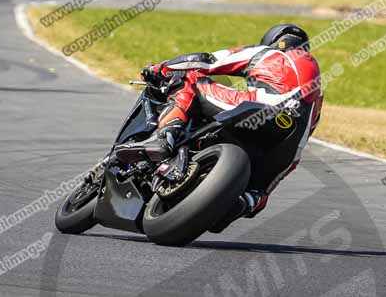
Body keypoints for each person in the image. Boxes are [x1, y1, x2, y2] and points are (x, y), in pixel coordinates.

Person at [125, 24, 323, 231]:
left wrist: (159, 69)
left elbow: (206, 61)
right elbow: (305, 133)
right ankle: (245, 202)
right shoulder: (318, 91)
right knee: (258, 192)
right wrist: (263, 190)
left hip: (260, 110)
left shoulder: (267, 53)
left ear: (273, 41)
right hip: (289, 140)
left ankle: (164, 137)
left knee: (190, 79)